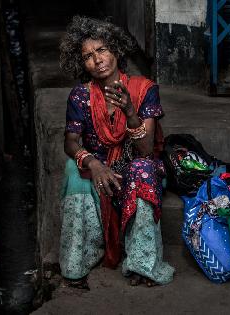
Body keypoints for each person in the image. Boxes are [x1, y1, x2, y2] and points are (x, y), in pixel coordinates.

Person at [58, 16, 174, 289]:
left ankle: (143, 263)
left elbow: (145, 151)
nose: (97, 60)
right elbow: (71, 141)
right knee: (72, 171)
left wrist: (130, 112)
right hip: (101, 168)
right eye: (87, 56)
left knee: (142, 169)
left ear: (115, 50)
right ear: (81, 63)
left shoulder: (144, 89)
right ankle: (80, 260)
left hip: (137, 167)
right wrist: (93, 163)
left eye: (102, 50)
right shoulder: (80, 96)